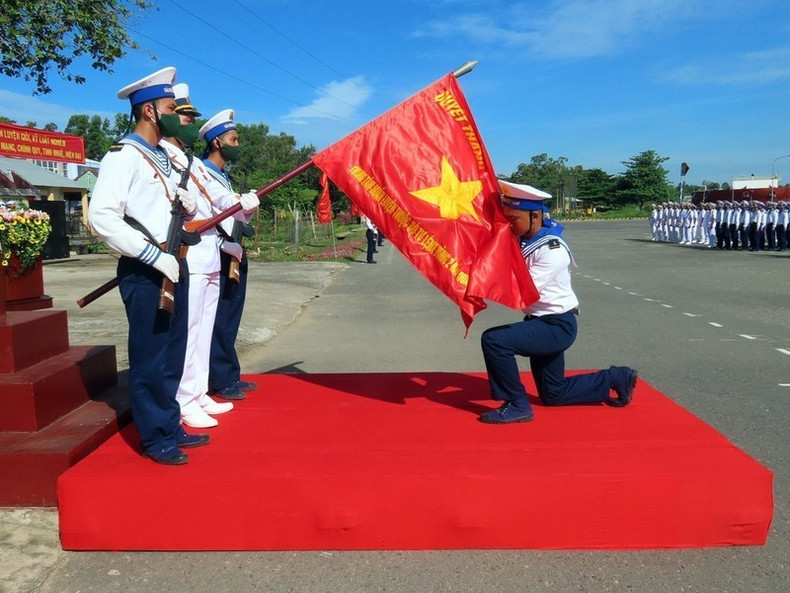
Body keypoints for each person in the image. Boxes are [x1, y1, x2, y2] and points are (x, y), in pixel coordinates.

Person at [88, 67, 208, 464]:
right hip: (147, 269)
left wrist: (184, 201)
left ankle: (170, 423)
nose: (176, 114)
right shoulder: (123, 155)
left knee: (173, 352)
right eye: (170, 107)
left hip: (175, 263)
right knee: (150, 357)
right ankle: (155, 437)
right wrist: (154, 256)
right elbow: (102, 217)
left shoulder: (160, 156)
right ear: (149, 112)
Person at [478, 180, 637, 424]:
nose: (508, 225)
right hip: (539, 322)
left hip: (556, 326)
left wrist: (478, 282)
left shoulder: (552, 250)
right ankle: (616, 377)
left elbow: (521, 291)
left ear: (535, 216)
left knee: (495, 340)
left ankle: (517, 404)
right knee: (554, 394)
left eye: (513, 219)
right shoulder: (522, 238)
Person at [161, 93, 260, 429]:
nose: (185, 123)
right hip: (191, 254)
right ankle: (184, 398)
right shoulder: (167, 160)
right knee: (188, 333)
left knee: (202, 331)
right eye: (182, 117)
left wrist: (241, 203)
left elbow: (218, 202)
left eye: (186, 118)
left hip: (209, 258)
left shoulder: (188, 162)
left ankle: (198, 392)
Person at [203, 109, 258, 401]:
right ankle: (220, 378)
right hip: (219, 253)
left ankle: (229, 373)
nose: (238, 145)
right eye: (233, 140)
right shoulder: (205, 174)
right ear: (217, 143)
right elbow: (216, 213)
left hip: (233, 251)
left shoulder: (222, 176)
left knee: (230, 318)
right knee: (219, 319)